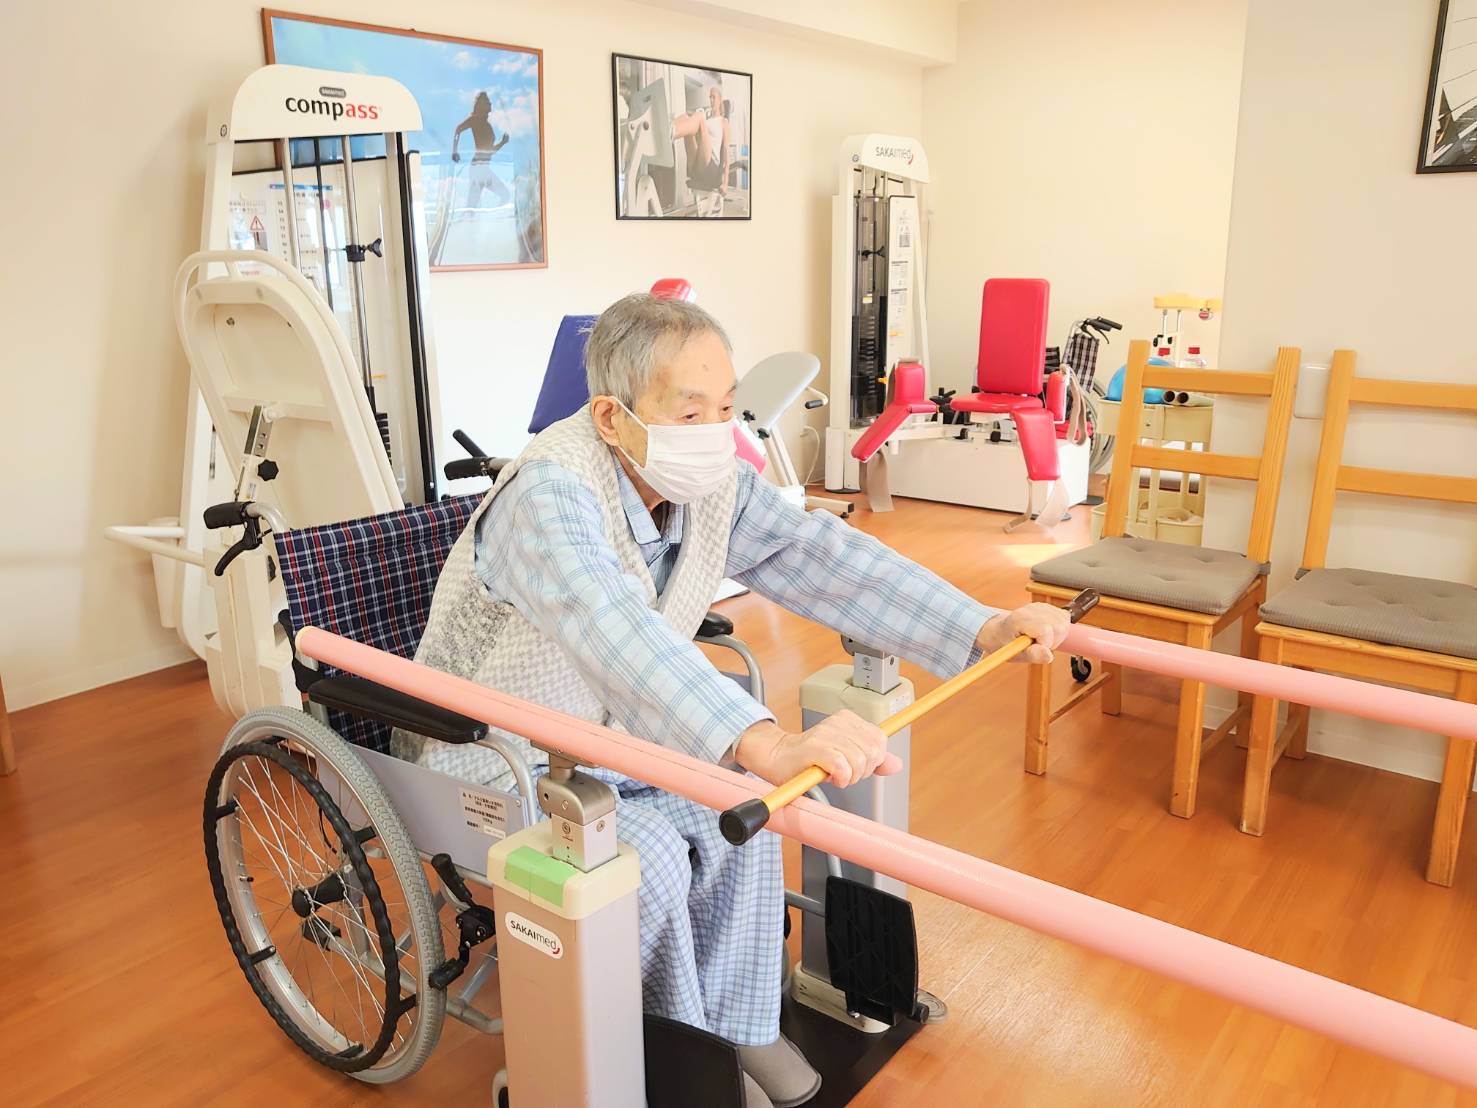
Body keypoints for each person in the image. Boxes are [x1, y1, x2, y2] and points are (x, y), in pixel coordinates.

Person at [402, 294, 1070, 1108]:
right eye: (690, 413)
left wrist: (979, 624)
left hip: (615, 738)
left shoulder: (705, 479)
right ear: (611, 417)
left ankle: (739, 1028)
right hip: (492, 755)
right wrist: (766, 740)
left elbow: (820, 555)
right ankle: (685, 1059)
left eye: (724, 407)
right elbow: (613, 628)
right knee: (646, 856)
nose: (715, 431)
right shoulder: (550, 493)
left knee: (742, 808)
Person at [450, 90, 511, 213]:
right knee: (475, 204)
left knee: (473, 205)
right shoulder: (475, 119)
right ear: (481, 105)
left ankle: (482, 219)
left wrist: (502, 143)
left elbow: (489, 151)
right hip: (478, 167)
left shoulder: (487, 125)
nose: (490, 103)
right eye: (487, 101)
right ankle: (483, 219)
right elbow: (458, 129)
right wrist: (454, 151)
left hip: (483, 168)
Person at [673, 83, 730, 202]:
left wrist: (725, 182)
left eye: (714, 97)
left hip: (711, 167)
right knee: (685, 117)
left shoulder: (723, 122)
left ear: (720, 100)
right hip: (697, 165)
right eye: (710, 97)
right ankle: (669, 130)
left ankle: (672, 131)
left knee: (699, 116)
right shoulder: (707, 120)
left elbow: (726, 151)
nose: (711, 100)